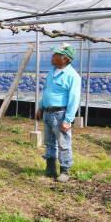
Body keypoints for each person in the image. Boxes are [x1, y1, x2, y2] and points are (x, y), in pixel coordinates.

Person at [35, 43, 81, 183]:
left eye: (56, 54)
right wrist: (41, 107)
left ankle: (65, 170)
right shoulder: (52, 71)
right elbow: (47, 91)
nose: (52, 56)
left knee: (63, 144)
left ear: (65, 58)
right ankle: (50, 168)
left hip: (60, 114)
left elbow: (74, 99)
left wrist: (68, 120)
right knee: (49, 142)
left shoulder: (72, 76)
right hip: (48, 113)